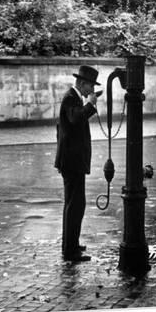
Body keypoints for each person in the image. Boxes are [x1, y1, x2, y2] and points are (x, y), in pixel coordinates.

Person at [55, 65, 101, 262]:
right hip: (71, 161)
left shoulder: (73, 98)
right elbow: (75, 119)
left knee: (74, 204)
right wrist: (90, 105)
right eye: (90, 87)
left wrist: (88, 104)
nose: (91, 91)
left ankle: (71, 244)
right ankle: (70, 250)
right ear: (82, 83)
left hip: (73, 160)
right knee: (75, 205)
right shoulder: (70, 98)